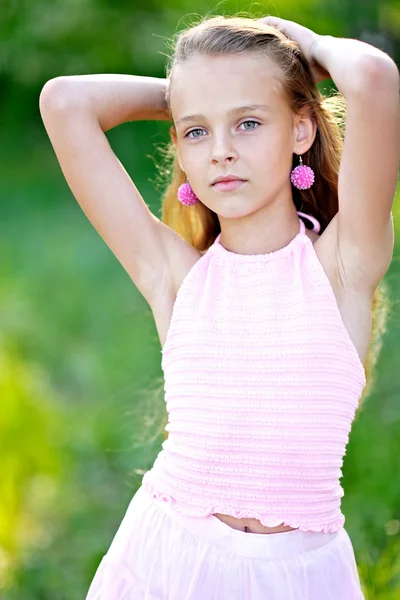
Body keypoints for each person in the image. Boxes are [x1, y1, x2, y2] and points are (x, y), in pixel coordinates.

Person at [39, 13, 399, 600]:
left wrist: (304, 50)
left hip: (302, 577)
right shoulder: (176, 276)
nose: (222, 152)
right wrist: (196, 95)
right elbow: (64, 102)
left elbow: (374, 78)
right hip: (166, 561)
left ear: (301, 130)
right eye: (197, 132)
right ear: (180, 146)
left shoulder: (342, 267)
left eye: (250, 124)